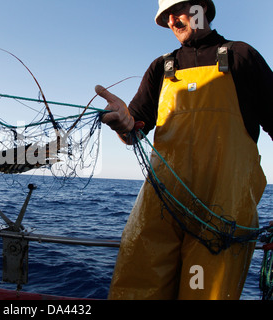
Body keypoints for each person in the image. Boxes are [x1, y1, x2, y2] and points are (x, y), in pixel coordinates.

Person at [95, 0, 273, 300]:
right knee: (134, 290)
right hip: (160, 207)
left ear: (202, 8)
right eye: (166, 16)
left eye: (177, 11)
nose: (172, 21)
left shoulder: (241, 56)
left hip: (222, 212)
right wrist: (122, 125)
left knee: (203, 294)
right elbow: (134, 131)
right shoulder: (161, 67)